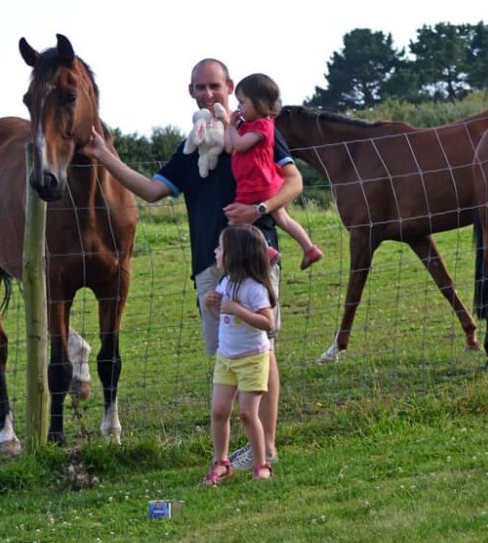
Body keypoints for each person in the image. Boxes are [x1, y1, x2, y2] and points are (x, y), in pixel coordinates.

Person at [81, 58, 299, 471]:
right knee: (227, 355)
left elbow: (294, 182)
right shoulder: (190, 148)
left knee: (262, 348)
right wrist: (103, 155)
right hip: (209, 264)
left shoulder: (256, 131)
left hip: (255, 258)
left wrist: (259, 209)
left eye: (214, 86)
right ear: (190, 92)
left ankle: (265, 448)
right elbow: (150, 190)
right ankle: (237, 450)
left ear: (230, 87)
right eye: (200, 88)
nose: (207, 94)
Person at [220, 73, 323, 270]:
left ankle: (266, 250)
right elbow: (228, 146)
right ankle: (309, 248)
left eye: (242, 102)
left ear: (258, 103)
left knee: (236, 222)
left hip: (255, 184)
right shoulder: (252, 125)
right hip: (267, 183)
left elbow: (239, 145)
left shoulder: (262, 125)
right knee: (283, 219)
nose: (239, 107)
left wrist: (231, 125)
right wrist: (230, 127)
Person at [201, 225, 276, 484]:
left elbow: (268, 323)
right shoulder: (225, 282)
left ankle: (262, 464)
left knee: (246, 413)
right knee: (219, 411)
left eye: (220, 248)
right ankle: (221, 461)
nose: (215, 251)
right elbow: (226, 318)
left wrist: (237, 309)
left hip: (253, 358)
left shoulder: (254, 288)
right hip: (226, 358)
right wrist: (214, 307)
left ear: (235, 254)